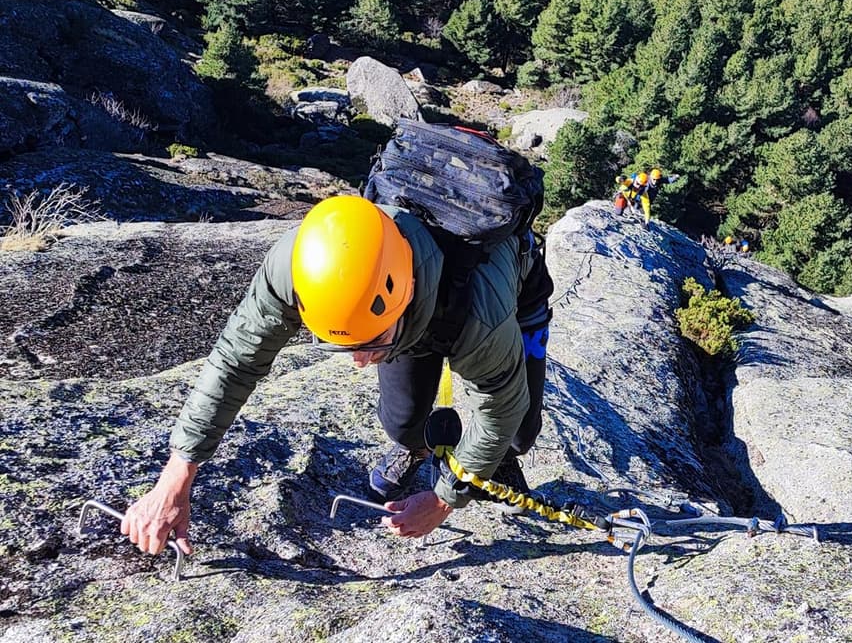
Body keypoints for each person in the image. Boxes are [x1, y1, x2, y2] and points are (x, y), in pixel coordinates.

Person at [120, 195, 554, 553]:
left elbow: (500, 402)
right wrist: (177, 474)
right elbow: (236, 360)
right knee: (404, 423)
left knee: (517, 431)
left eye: (369, 345)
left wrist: (445, 499)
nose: (359, 361)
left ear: (402, 301)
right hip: (415, 307)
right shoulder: (302, 266)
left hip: (511, 292)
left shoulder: (482, 317)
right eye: (346, 346)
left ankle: (496, 465)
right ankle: (417, 449)